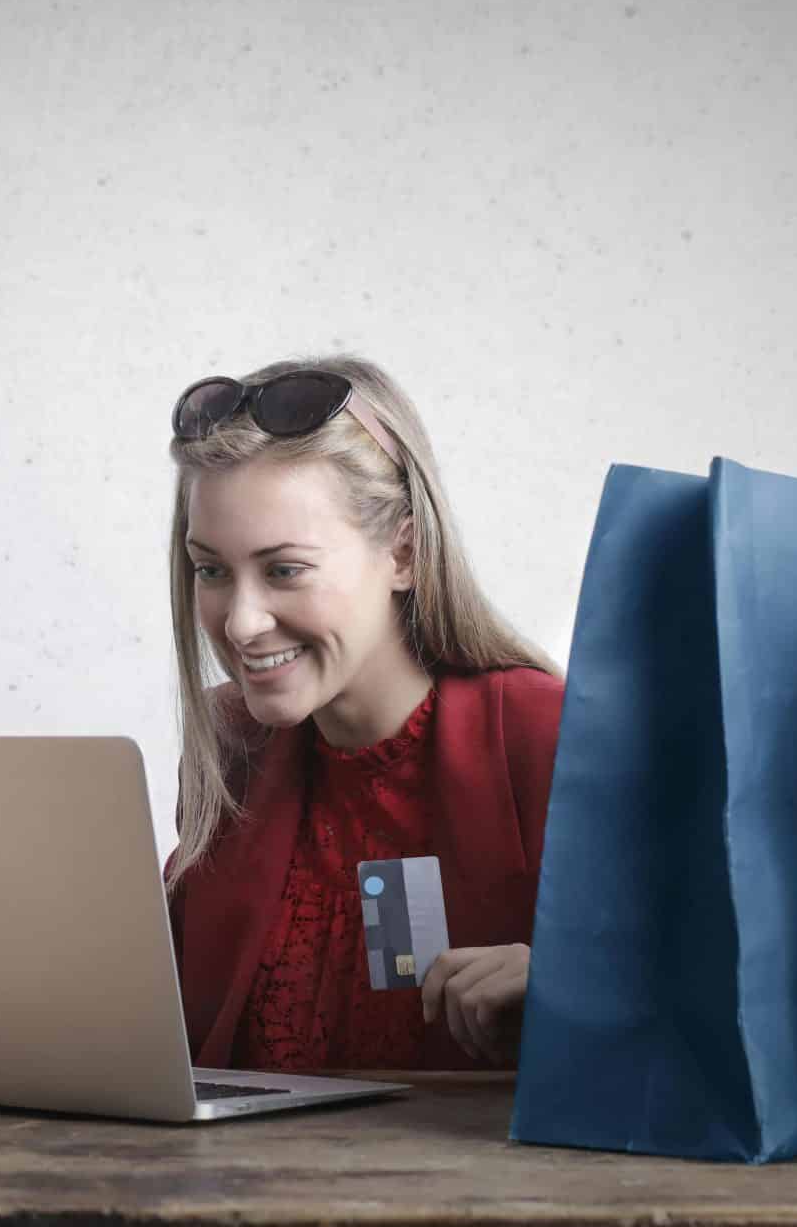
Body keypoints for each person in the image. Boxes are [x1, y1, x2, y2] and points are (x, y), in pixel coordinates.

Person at [163, 356, 564, 1071]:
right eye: (212, 570)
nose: (242, 622)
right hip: (243, 1180)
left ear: (404, 553)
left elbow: (704, 993)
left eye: (285, 569)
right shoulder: (234, 747)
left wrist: (577, 991)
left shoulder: (542, 736)